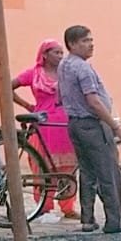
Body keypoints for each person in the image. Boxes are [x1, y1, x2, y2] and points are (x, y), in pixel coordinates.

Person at [56, 25, 121, 233]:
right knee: (108, 173)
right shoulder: (83, 68)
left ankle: (88, 219)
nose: (90, 45)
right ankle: (114, 222)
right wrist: (116, 128)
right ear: (72, 44)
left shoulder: (64, 65)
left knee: (87, 173)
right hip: (91, 125)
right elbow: (94, 101)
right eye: (85, 41)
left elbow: (59, 94)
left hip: (74, 124)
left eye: (91, 40)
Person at [14, 39, 78, 221]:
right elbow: (9, 85)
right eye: (56, 52)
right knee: (42, 166)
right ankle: (44, 206)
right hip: (43, 123)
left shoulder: (66, 73)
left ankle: (68, 207)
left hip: (65, 122)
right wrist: (27, 105)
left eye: (61, 52)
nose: (60, 55)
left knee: (69, 167)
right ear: (45, 55)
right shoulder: (33, 74)